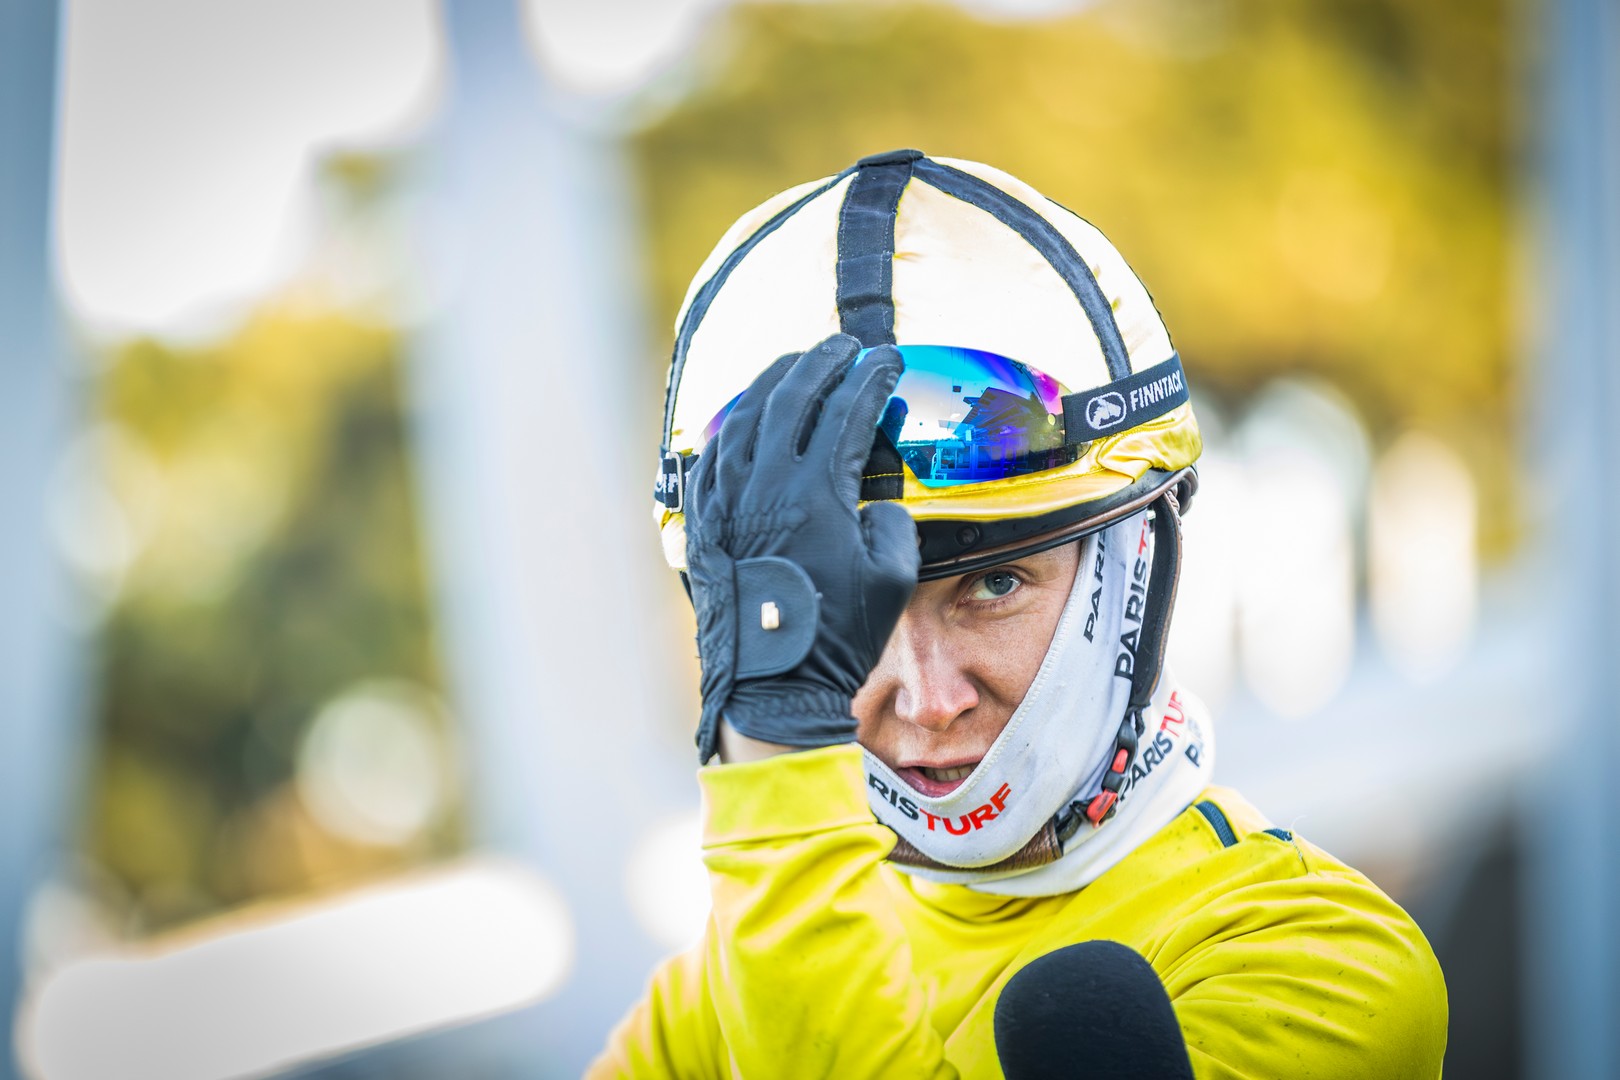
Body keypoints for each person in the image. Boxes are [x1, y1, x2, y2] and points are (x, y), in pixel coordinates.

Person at [591, 149, 1447, 1078]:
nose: (928, 701)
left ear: (1132, 560)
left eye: (993, 585)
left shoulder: (1324, 967)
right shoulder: (722, 989)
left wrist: (781, 815)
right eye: (845, 617)